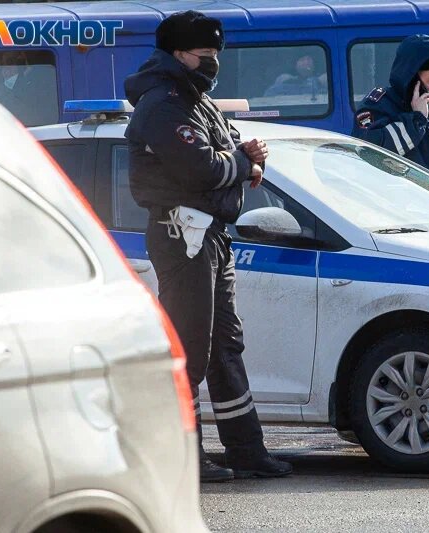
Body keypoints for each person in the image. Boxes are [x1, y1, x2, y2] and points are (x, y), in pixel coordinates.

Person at [124, 10, 292, 482]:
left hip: (211, 233)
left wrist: (245, 159)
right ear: (178, 54)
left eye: (217, 53)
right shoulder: (163, 104)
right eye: (205, 54)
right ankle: (184, 457)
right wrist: (241, 163)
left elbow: (233, 149)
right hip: (183, 235)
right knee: (189, 348)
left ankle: (246, 449)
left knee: (225, 347)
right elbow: (202, 168)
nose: (214, 62)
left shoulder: (197, 100)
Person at [351, 34, 429, 191]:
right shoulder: (379, 106)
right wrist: (416, 120)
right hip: (400, 206)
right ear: (411, 78)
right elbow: (368, 153)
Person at [263, 54, 327, 98]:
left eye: (308, 59)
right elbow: (269, 96)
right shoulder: (284, 79)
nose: (306, 62)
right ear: (295, 65)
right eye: (302, 59)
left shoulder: (323, 80)